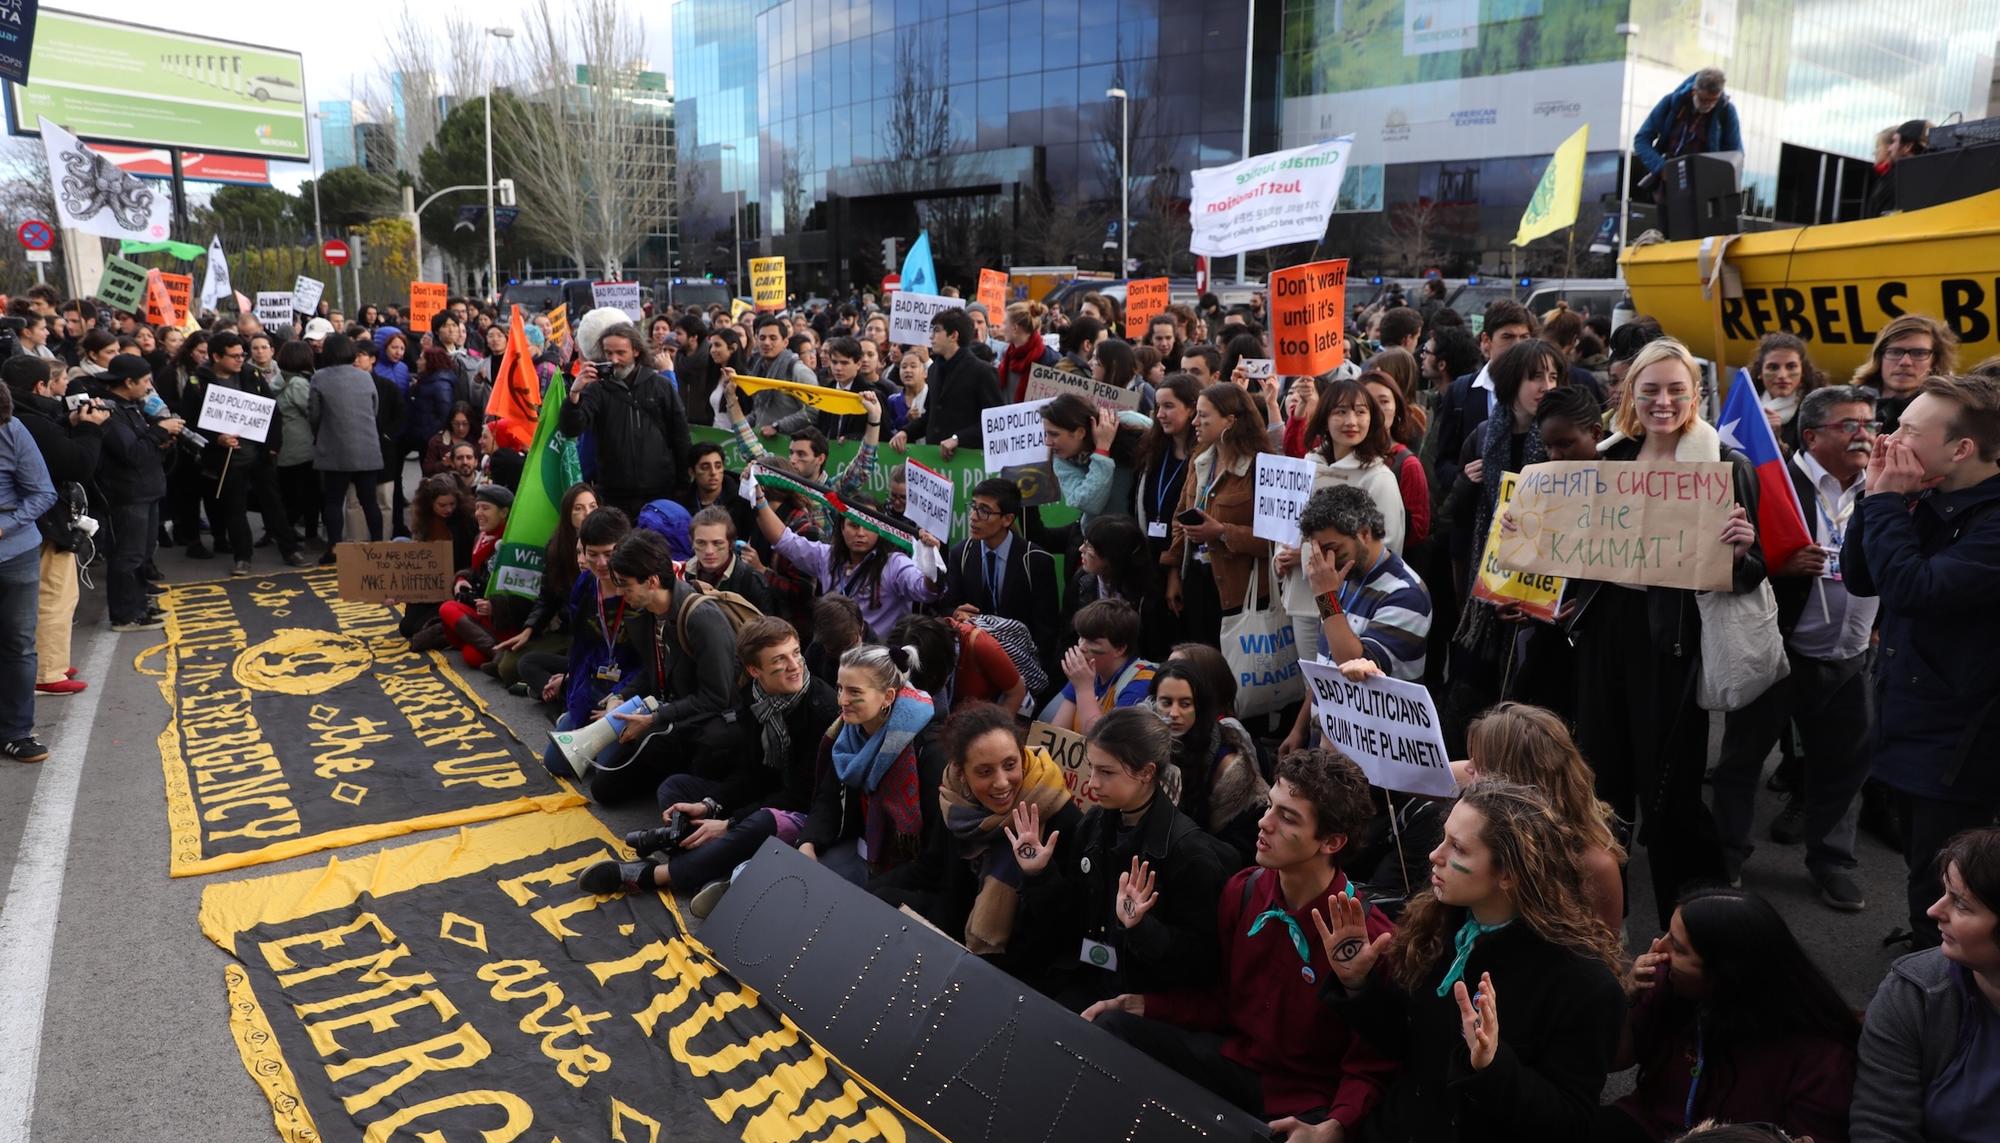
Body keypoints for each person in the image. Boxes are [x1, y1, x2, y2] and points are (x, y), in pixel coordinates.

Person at [1084, 748, 1393, 1140]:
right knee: (1113, 1026)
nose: (1264, 823)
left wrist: (1335, 1127)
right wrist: (1144, 1005)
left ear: (1331, 842)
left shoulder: (1370, 934)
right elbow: (1222, 1003)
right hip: (1235, 1061)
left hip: (1304, 1098)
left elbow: (1373, 1063)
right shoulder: (1243, 890)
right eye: (1270, 806)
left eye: (1287, 818)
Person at [1561, 337, 1763, 929]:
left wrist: (1742, 553)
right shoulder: (1608, 458)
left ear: (1695, 395)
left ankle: (1685, 932)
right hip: (1604, 639)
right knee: (1601, 782)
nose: (1663, 401)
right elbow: (1577, 551)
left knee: (1670, 791)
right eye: (1650, 390)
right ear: (1629, 395)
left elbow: (1752, 574)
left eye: (1676, 389)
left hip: (1672, 645)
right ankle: (1605, 918)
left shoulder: (1727, 466)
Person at [1316, 778, 1628, 1143]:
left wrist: (1493, 1066)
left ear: (1509, 873)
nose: (1435, 855)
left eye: (1458, 849)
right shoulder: (1436, 927)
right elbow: (1408, 1049)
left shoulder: (1584, 985)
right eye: (1443, 838)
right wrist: (1359, 985)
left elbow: (1569, 1122)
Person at [1841, 374, 2000, 947]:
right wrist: (1875, 495)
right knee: (1920, 862)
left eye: (1909, 430)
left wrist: (1884, 500)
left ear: (1961, 449)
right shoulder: (1929, 494)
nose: (1889, 439)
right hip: (1908, 717)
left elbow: (1914, 589)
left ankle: (1940, 980)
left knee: (1949, 873)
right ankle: (1924, 948)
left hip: (1959, 738)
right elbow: (1862, 576)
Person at [1710, 385, 1881, 912]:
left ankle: (1832, 861)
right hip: (1779, 652)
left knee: (1844, 765)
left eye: (1869, 423)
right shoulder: (1770, 481)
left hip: (1852, 654)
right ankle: (1727, 858)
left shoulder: (1884, 486)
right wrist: (1779, 567)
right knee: (1742, 760)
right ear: (1811, 435)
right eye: (1849, 425)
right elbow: (1727, 557)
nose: (1864, 434)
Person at [581, 616, 837, 913]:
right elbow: (752, 775)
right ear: (755, 671)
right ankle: (716, 867)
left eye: (796, 652)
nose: (795, 665)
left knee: (760, 821)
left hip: (801, 810)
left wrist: (730, 823)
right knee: (676, 787)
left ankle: (652, 875)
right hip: (766, 796)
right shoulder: (754, 700)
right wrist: (709, 805)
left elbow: (800, 796)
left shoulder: (822, 708)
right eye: (780, 659)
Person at [1602, 887, 1858, 1143]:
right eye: (1667, 933)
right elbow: (1615, 1060)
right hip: (1649, 1125)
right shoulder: (1668, 983)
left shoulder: (1820, 1057)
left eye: (1678, 948)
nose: (1659, 948)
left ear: (1725, 973)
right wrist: (1627, 998)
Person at [1025, 705, 1236, 1009]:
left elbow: (1200, 964)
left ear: (1147, 772)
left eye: (1106, 772)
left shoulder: (1189, 854)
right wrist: (1040, 875)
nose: (1093, 782)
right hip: (1085, 979)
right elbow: (1069, 920)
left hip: (1137, 1002)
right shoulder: (1095, 823)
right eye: (1091, 767)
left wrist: (1142, 928)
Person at [873, 701, 1080, 960]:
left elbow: (1065, 927)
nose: (1002, 783)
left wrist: (1038, 875)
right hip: (952, 922)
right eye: (985, 772)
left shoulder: (1061, 817)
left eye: (1010, 765)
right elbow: (929, 869)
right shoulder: (957, 802)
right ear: (962, 774)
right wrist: (861, 893)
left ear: (1022, 757)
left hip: (1015, 954)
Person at [1853, 826, 2000, 1141]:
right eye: (1944, 892)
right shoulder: (1914, 990)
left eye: (1961, 904)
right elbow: (1881, 1127)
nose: (1934, 911)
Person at [591, 528, 748, 805]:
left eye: (626, 585)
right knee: (603, 787)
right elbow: (654, 674)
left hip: (703, 725)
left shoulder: (701, 618)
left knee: (623, 781)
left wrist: (653, 720)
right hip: (671, 717)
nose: (622, 593)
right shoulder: (649, 614)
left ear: (651, 581)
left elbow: (717, 698)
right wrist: (621, 697)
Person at [1461, 702, 1626, 933]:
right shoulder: (1484, 798)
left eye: (1478, 765)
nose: (1466, 769)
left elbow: (1604, 959)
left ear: (1512, 781)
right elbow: (1424, 773)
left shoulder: (1593, 865)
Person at [748, 453, 943, 640]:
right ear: (841, 528)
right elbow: (784, 540)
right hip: (832, 656)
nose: (860, 533)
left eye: (868, 527)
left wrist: (930, 560)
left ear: (880, 531)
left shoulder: (895, 564)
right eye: (853, 525)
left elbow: (927, 591)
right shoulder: (827, 557)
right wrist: (757, 496)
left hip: (876, 660)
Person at [798, 643, 946, 887]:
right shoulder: (848, 734)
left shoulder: (928, 748)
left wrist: (871, 891)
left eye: (855, 692)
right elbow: (829, 798)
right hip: (857, 850)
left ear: (887, 696)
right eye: (840, 688)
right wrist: (808, 843)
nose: (842, 700)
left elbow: (933, 851)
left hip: (906, 873)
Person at [6, 355, 105, 694]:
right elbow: (75, 463)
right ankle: (47, 671)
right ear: (40, 386)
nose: (60, 389)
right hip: (41, 523)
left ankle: (48, 660)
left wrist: (69, 424)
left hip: (28, 525)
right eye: (54, 382)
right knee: (54, 595)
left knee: (45, 596)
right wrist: (91, 429)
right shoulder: (28, 424)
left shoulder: (21, 417)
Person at [180, 332, 307, 575]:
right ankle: (243, 556)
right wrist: (217, 439)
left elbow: (272, 413)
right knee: (235, 509)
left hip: (259, 455)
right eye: (235, 356)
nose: (241, 360)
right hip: (227, 459)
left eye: (242, 355)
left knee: (274, 505)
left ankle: (289, 549)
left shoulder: (252, 375)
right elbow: (192, 423)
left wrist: (271, 447)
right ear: (216, 356)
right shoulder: (198, 383)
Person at [1166, 382, 1273, 646]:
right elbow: (1180, 515)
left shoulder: (1261, 466)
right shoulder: (1199, 460)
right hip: (1196, 581)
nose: (1194, 422)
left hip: (1241, 590)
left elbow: (1274, 540)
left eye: (1203, 415)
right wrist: (1173, 572)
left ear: (1230, 420)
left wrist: (1223, 533)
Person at [559, 322, 692, 518]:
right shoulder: (596, 390)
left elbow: (680, 435)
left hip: (659, 491)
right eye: (608, 353)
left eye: (621, 353)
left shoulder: (660, 386)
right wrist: (575, 393)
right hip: (614, 495)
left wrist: (682, 484)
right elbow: (571, 428)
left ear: (636, 351)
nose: (614, 359)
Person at [1149, 659, 1270, 866]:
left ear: (1199, 707)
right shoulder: (1145, 742)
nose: (1174, 713)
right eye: (1166, 702)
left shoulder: (1226, 762)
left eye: (1185, 704)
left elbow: (1240, 846)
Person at [941, 476, 1062, 670]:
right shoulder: (960, 554)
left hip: (1021, 664)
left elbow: (1046, 630)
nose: (973, 516)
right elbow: (946, 606)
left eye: (984, 511)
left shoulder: (1036, 560)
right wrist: (956, 613)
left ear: (1007, 519)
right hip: (973, 661)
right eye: (973, 507)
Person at [98, 355, 178, 637]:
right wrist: (159, 431)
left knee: (142, 553)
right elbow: (130, 453)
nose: (149, 387)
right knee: (128, 556)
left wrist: (163, 441)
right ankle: (125, 614)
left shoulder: (132, 407)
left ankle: (140, 605)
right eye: (144, 381)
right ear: (128, 382)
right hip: (129, 494)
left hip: (146, 489)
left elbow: (144, 447)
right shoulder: (110, 412)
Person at [0, 380, 54, 761]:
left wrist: (6, 525)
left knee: (19, 644)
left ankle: (18, 732)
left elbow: (43, 492)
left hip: (15, 550)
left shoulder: (13, 430)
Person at [308, 334, 385, 550]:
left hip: (334, 447)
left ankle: (334, 549)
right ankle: (378, 545)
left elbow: (314, 414)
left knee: (333, 501)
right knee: (369, 501)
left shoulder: (320, 377)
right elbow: (374, 408)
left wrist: (321, 433)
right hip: (367, 446)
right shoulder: (364, 377)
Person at [1044, 598, 1156, 734]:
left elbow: (1101, 742)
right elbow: (1056, 734)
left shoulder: (1140, 684)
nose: (1081, 646)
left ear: (1120, 649)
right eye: (1081, 637)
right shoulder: (1087, 673)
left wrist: (1084, 689)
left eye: (1092, 641)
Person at [1039, 394, 1149, 526]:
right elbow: (1089, 503)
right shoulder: (1062, 459)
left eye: (1054, 434)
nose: (1048, 442)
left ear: (1080, 432)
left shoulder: (1131, 423)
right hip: (1107, 536)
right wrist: (1102, 450)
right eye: (1046, 434)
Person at [1634, 68, 1743, 192]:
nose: (1708, 105)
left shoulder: (1727, 112)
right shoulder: (1671, 103)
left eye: (1713, 101)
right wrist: (1661, 168)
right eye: (1703, 99)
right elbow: (1641, 140)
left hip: (1704, 189)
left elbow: (1736, 157)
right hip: (1667, 187)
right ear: (1694, 91)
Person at [1852, 315, 1958, 435]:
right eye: (1895, 352)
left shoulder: (1950, 413)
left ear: (1935, 361)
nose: (1905, 362)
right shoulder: (1846, 404)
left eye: (1918, 353)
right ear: (1880, 356)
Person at [921, 308, 1003, 460]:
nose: (931, 337)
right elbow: (931, 415)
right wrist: (906, 432)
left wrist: (958, 438)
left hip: (968, 462)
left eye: (937, 331)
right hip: (935, 460)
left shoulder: (983, 371)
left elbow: (994, 422)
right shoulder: (933, 369)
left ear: (953, 335)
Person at [270, 339, 320, 544]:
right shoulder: (299, 383)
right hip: (303, 446)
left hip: (286, 446)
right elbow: (312, 412)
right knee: (309, 495)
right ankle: (309, 535)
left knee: (289, 495)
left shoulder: (280, 379)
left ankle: (283, 532)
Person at [738, 314, 820, 436]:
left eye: (773, 338)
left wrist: (778, 427)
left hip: (791, 446)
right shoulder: (759, 370)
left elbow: (814, 411)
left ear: (785, 342)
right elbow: (762, 409)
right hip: (763, 443)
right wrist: (745, 422)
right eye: (762, 337)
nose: (766, 342)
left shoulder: (798, 371)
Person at [686, 505, 772, 613]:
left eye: (717, 543)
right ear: (692, 542)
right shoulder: (682, 574)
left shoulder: (751, 581)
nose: (709, 551)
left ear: (730, 543)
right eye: (701, 543)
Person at [1749, 332, 1824, 452]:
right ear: (1760, 372)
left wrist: (1777, 443)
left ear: (1803, 371)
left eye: (1791, 366)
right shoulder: (1746, 409)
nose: (1782, 375)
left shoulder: (1819, 412)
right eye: (1773, 367)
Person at [997, 300, 1058, 402]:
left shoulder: (1049, 360)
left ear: (1015, 328)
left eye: (1004, 323)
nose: (1002, 328)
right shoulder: (1007, 355)